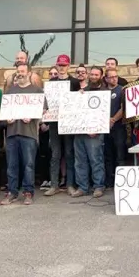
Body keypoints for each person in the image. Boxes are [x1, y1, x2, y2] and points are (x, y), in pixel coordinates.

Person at [1, 63, 46, 205]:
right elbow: (3, 113)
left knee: (28, 164)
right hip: (12, 133)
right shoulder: (9, 92)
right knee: (12, 165)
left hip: (29, 133)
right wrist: (7, 118)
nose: (20, 73)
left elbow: (43, 110)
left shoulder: (37, 91)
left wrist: (33, 116)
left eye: (22, 71)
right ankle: (12, 192)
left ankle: (28, 192)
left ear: (28, 73)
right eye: (18, 71)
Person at [43, 56, 81, 196]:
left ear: (68, 66)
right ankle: (54, 185)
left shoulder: (75, 82)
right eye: (60, 65)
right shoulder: (51, 82)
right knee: (55, 154)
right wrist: (45, 114)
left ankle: (70, 184)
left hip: (69, 122)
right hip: (54, 122)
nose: (62, 67)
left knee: (70, 153)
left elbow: (79, 101)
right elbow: (46, 102)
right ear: (56, 65)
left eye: (64, 65)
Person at [71, 66, 108, 198]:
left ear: (101, 76)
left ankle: (98, 186)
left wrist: (97, 129)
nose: (93, 77)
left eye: (96, 75)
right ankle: (83, 187)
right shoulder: (82, 91)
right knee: (80, 161)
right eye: (91, 74)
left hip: (95, 133)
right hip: (80, 131)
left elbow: (104, 113)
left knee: (95, 159)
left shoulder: (105, 92)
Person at [104, 66, 126, 188]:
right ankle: (108, 181)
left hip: (118, 127)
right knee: (107, 155)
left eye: (115, 76)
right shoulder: (102, 91)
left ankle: (120, 182)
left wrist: (113, 120)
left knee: (120, 155)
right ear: (106, 79)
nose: (114, 79)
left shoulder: (122, 90)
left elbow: (123, 108)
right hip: (104, 128)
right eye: (111, 77)